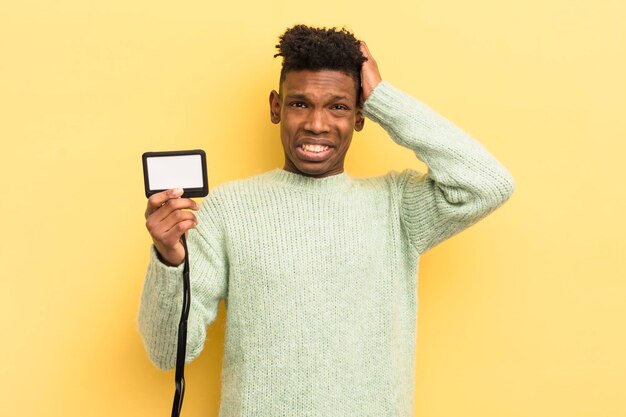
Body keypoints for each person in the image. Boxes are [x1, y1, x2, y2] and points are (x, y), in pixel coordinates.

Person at [138, 24, 515, 417]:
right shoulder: (226, 210)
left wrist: (384, 99)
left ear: (360, 115)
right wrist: (169, 260)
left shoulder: (396, 206)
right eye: (300, 103)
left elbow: (487, 184)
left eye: (338, 106)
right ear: (275, 107)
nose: (317, 124)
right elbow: (168, 353)